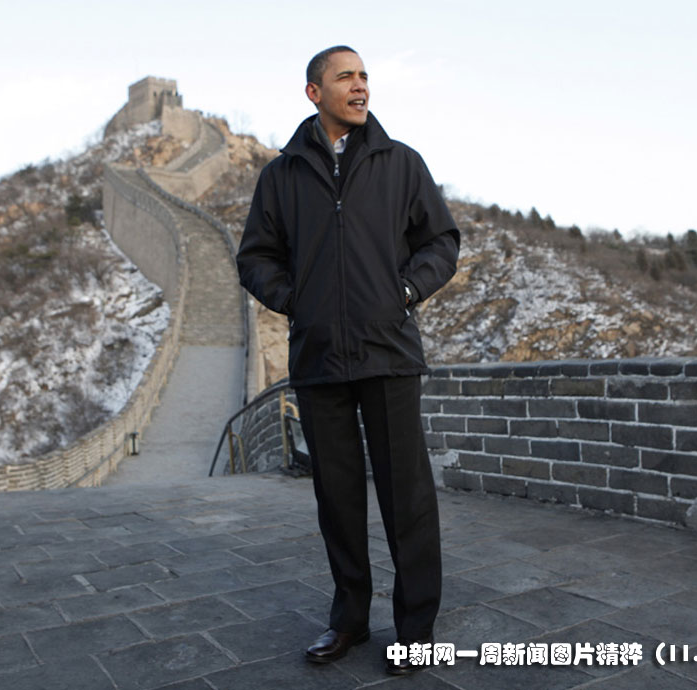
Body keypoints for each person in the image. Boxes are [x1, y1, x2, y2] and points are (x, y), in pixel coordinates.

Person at [236, 45, 460, 675]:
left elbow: (441, 241)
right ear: (315, 93)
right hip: (319, 358)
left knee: (406, 499)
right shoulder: (281, 176)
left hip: (388, 352)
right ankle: (349, 621)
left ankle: (416, 630)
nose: (360, 86)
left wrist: (405, 291)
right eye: (346, 77)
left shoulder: (400, 162)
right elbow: (255, 257)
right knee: (336, 500)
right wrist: (297, 301)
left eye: (364, 76)